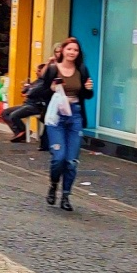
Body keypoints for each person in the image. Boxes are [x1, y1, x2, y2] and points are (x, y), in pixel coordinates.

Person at [38, 38, 94, 211]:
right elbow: (42, 92)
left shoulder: (82, 70)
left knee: (71, 161)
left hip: (75, 115)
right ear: (62, 50)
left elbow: (87, 95)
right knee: (59, 158)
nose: (72, 53)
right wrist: (52, 89)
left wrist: (88, 89)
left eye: (75, 50)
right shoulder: (53, 70)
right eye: (69, 49)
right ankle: (54, 184)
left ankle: (66, 196)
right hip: (57, 117)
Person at [0, 63, 51, 144]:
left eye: (39, 71)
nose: (36, 73)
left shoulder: (44, 83)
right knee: (5, 113)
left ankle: (22, 132)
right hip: (27, 104)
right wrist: (27, 89)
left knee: (14, 115)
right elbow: (25, 90)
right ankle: (20, 131)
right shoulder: (37, 81)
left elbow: (31, 92)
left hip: (35, 106)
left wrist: (28, 90)